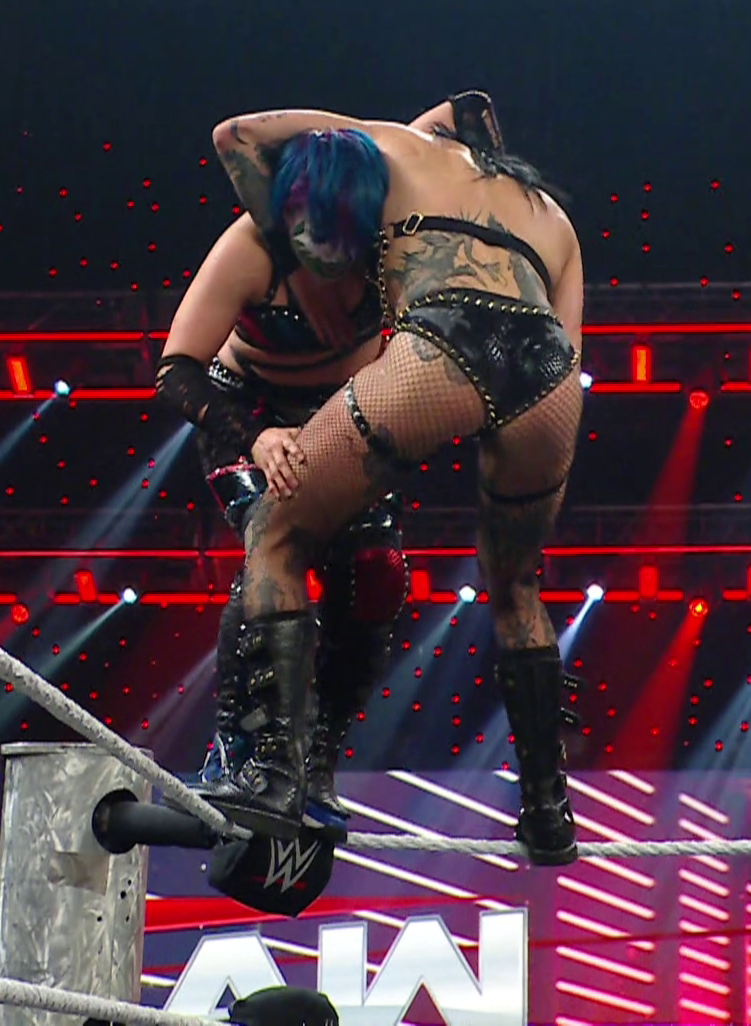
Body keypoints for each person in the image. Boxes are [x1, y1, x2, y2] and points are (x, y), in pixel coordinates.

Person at [194, 97, 586, 866]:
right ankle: (548, 809)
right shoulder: (555, 219)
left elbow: (236, 135)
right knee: (517, 587)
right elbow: (567, 345)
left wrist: (294, 261)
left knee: (276, 531)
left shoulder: (397, 145)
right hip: (547, 376)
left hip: (447, 337)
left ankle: (273, 773)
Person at [154, 97, 488, 836]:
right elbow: (177, 371)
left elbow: (465, 113)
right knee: (277, 540)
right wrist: (256, 439)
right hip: (248, 411)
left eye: (343, 239)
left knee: (375, 574)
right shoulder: (252, 247)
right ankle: (252, 754)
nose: (325, 254)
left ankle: (317, 760)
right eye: (310, 234)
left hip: (348, 412)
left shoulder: (401, 232)